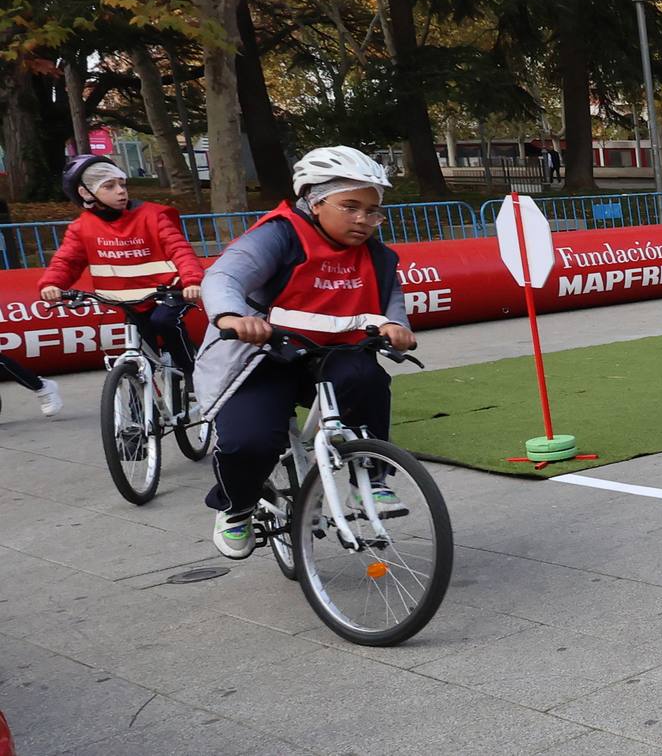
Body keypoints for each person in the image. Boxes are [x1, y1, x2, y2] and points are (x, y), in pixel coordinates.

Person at [194, 146, 415, 559]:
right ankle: (236, 506)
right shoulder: (278, 236)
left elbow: (390, 297)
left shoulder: (377, 255)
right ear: (314, 201)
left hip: (331, 356)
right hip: (260, 358)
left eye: (372, 210)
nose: (364, 220)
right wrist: (231, 316)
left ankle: (373, 477)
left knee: (367, 379)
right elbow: (223, 276)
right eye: (350, 206)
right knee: (250, 442)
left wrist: (395, 325)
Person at [37, 155, 204, 378]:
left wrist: (192, 281)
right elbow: (66, 262)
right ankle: (140, 408)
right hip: (131, 300)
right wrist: (52, 284)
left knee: (163, 321)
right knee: (141, 358)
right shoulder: (82, 228)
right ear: (85, 193)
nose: (121, 191)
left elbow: (180, 250)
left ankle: (193, 373)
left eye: (122, 184)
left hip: (168, 292)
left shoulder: (153, 216)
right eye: (109, 186)